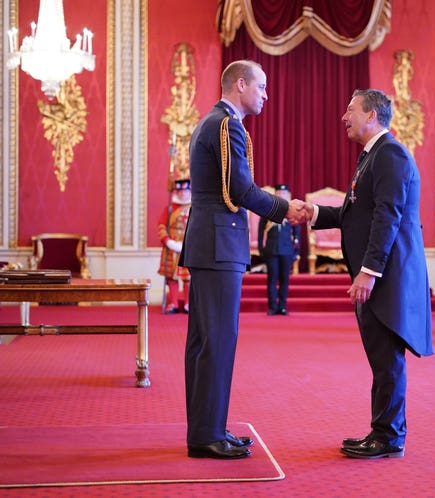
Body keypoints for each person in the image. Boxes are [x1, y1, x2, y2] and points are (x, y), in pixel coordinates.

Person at [179, 60, 306, 460]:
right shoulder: (226, 124)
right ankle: (206, 435)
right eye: (262, 87)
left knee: (206, 341)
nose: (266, 95)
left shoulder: (215, 122)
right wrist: (285, 209)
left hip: (212, 242)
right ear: (240, 84)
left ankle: (209, 428)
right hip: (219, 244)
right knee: (216, 340)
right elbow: (240, 187)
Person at [304, 89, 433, 459]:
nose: (344, 116)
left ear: (373, 115)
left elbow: (387, 217)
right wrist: (311, 212)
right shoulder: (371, 156)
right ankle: (382, 431)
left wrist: (368, 272)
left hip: (387, 278)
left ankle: (389, 437)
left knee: (387, 358)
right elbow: (353, 213)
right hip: (379, 276)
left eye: (350, 109)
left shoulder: (389, 154)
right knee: (381, 359)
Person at [258, 184, 300, 316]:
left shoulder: (292, 211)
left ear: (288, 195)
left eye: (284, 193)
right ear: (275, 194)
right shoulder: (268, 210)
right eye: (279, 193)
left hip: (287, 250)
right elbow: (260, 232)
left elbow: (297, 234)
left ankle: (282, 306)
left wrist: (296, 252)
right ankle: (272, 306)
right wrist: (261, 248)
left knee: (284, 280)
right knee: (272, 279)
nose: (281, 195)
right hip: (271, 250)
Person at [157, 178, 191, 314]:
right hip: (171, 248)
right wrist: (168, 241)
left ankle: (189, 304)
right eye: (180, 191)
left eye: (186, 191)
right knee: (172, 277)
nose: (183, 194)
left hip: (189, 247)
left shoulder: (195, 208)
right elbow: (161, 226)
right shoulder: (169, 208)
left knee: (189, 277)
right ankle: (174, 303)